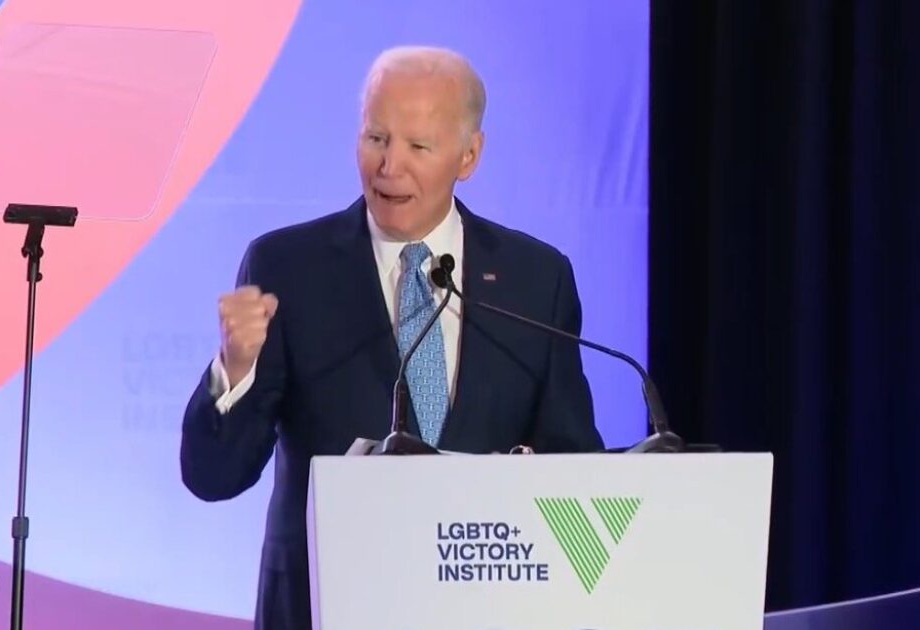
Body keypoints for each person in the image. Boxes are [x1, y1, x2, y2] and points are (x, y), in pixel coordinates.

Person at [180, 46, 604, 629]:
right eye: (376, 138)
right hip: (324, 609)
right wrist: (235, 370)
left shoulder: (535, 279)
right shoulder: (288, 267)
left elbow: (573, 464)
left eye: (418, 147)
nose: (388, 166)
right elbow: (213, 477)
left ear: (469, 155)